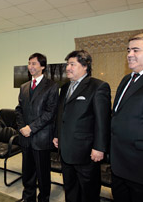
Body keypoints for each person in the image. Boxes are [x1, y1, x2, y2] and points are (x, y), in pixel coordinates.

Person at [53, 50, 111, 202]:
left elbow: (102, 121)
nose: (68, 68)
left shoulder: (98, 86)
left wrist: (99, 147)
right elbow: (61, 114)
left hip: (86, 153)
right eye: (67, 64)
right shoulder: (65, 88)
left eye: (72, 64)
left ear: (85, 66)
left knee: (88, 193)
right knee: (70, 190)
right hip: (66, 150)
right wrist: (57, 135)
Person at [111, 33, 143, 202]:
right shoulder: (126, 79)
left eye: (136, 50)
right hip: (118, 162)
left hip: (141, 165)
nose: (129, 54)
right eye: (128, 50)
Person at [15, 53, 59, 202]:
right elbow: (19, 109)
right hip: (25, 138)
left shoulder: (52, 86)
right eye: (29, 63)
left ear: (42, 66)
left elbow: (50, 113)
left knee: (42, 174)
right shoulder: (24, 87)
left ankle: (43, 199)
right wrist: (22, 127)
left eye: (34, 64)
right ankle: (28, 198)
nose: (30, 67)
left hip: (41, 138)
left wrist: (31, 128)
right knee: (27, 173)